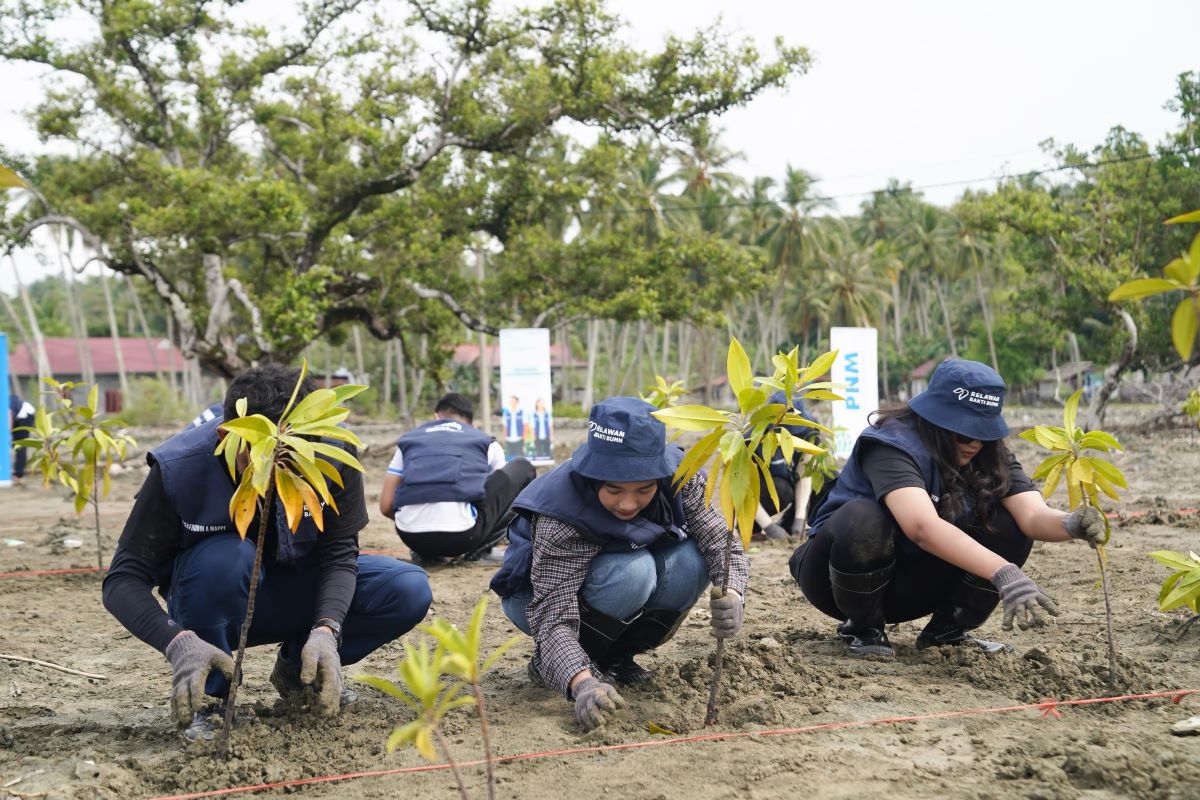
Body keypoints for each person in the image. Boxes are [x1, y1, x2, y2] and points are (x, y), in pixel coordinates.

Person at [102, 364, 433, 742]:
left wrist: (327, 629)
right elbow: (122, 581)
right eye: (263, 459)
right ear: (229, 436)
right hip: (211, 605)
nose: (277, 475)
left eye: (291, 460)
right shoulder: (181, 469)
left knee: (408, 588)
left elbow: (340, 555)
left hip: (295, 593)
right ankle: (211, 696)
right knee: (226, 558)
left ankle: (300, 670)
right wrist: (178, 644)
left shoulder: (332, 455)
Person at [788, 359, 1105, 658]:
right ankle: (863, 628)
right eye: (962, 429)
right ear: (933, 416)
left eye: (981, 432)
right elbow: (921, 528)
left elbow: (1033, 516)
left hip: (912, 583)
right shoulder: (892, 444)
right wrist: (1004, 572)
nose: (973, 442)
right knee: (863, 519)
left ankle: (947, 631)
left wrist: (1071, 524)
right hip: (836, 578)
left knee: (1010, 524)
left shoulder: (989, 453)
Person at [490, 397, 748, 731]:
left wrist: (734, 593)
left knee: (692, 559)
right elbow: (552, 618)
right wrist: (581, 683)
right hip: (535, 599)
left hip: (612, 586)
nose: (628, 503)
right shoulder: (561, 513)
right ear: (594, 475)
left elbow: (719, 540)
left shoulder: (681, 478)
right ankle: (560, 664)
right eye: (614, 490)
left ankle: (615, 658)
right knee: (634, 570)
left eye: (643, 490)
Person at [378, 392, 535, 566]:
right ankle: (482, 550)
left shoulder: (407, 442)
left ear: (436, 416)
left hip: (411, 537)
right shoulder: (485, 442)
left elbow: (385, 506)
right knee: (522, 467)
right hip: (462, 537)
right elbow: (503, 495)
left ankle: (427, 554)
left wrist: (418, 521)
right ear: (471, 424)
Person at [753, 391, 823, 541]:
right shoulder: (753, 437)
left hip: (787, 478)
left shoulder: (809, 430)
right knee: (781, 489)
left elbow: (804, 473)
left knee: (827, 479)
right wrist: (768, 526)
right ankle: (753, 527)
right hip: (758, 490)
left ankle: (790, 524)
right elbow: (741, 489)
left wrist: (799, 519)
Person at [9, 392, 35, 485]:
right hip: (16, 416)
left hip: (25, 415)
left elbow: (9, 415)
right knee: (15, 444)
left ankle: (19, 474)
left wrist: (8, 433)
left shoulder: (5, 401)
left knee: (20, 445)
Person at [502, 395, 524, 460]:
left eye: (514, 400)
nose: (512, 402)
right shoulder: (506, 412)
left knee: (519, 458)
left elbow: (525, 425)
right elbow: (504, 426)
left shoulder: (521, 412)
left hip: (519, 438)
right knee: (509, 458)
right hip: (509, 439)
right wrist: (504, 437)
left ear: (517, 402)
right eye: (511, 400)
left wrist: (523, 437)